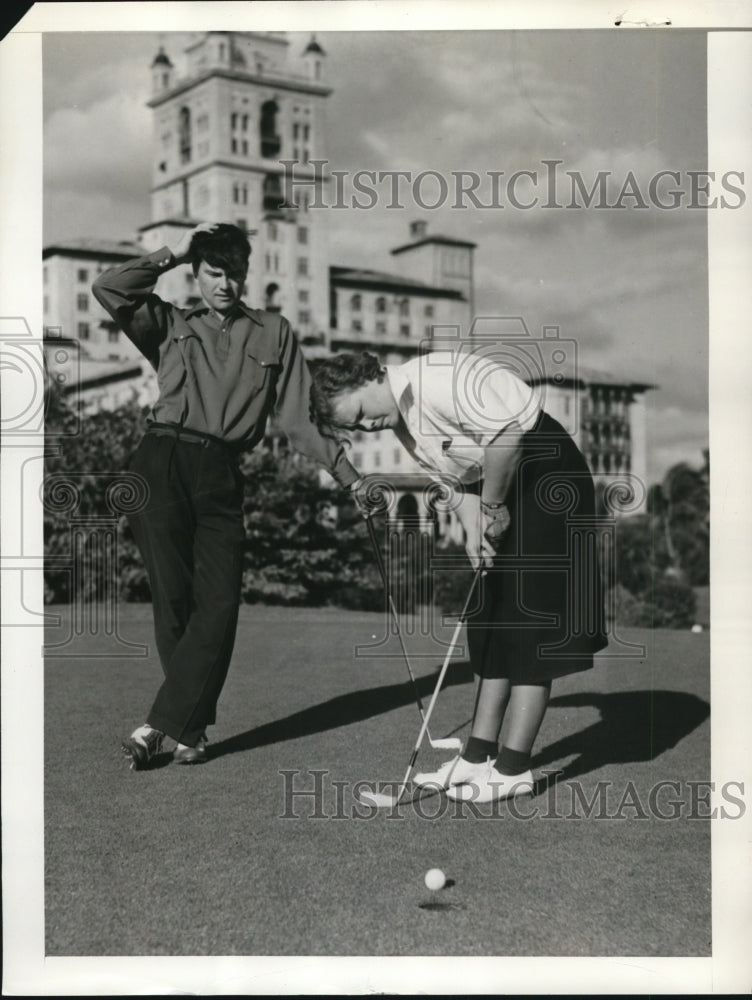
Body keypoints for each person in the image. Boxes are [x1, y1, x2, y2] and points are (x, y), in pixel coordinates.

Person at [93, 223, 362, 769]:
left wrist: (350, 475)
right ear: (197, 274)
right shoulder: (168, 322)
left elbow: (297, 418)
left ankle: (157, 726)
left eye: (235, 274)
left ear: (247, 276)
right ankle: (190, 731)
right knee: (173, 601)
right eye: (214, 273)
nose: (225, 285)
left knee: (219, 601)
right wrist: (177, 251)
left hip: (220, 471)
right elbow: (110, 288)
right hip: (161, 460)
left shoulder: (273, 332)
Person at [309, 350, 608, 803]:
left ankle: (513, 769)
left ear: (367, 378)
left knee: (529, 624)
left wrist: (492, 508)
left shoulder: (435, 379)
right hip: (498, 485)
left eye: (362, 415)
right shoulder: (405, 429)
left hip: (548, 477)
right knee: (488, 621)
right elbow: (459, 479)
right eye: (356, 428)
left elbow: (506, 435)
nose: (366, 427)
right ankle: (476, 758)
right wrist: (474, 532)